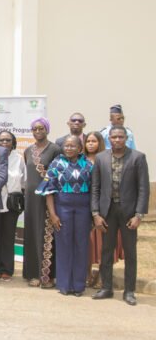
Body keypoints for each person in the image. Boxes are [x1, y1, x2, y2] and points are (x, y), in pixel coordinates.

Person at [92, 126, 149, 306]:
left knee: (130, 252)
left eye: (120, 137)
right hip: (107, 212)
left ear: (126, 138)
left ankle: (129, 291)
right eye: (114, 137)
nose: (117, 140)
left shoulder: (138, 158)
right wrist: (96, 214)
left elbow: (143, 188)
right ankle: (106, 287)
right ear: (109, 138)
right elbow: (95, 187)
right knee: (106, 251)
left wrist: (139, 215)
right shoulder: (101, 158)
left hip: (129, 213)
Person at [36, 136, 93, 297]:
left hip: (83, 208)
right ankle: (64, 284)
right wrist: (53, 214)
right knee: (64, 245)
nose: (68, 148)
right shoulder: (56, 164)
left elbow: (94, 188)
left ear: (80, 148)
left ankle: (79, 285)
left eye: (72, 146)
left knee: (81, 245)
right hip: (63, 207)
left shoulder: (88, 165)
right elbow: (48, 191)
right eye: (66, 146)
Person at [23, 117, 63, 288]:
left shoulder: (55, 149)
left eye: (41, 128)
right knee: (32, 233)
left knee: (46, 235)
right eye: (35, 129)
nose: (38, 131)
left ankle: (47, 275)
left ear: (47, 129)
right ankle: (33, 273)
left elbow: (56, 174)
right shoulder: (28, 150)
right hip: (31, 199)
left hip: (47, 198)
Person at [83, 131, 122, 288]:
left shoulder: (106, 159)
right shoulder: (80, 160)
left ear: (100, 142)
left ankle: (101, 276)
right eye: (88, 141)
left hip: (104, 207)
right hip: (84, 205)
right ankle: (86, 274)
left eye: (94, 141)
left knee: (103, 243)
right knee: (87, 243)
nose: (91, 144)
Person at [0, 130, 25, 281]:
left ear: (13, 143)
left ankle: (6, 269)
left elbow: (24, 181)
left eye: (8, 140)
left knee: (7, 237)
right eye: (2, 140)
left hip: (11, 204)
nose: (5, 143)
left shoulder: (19, 159)